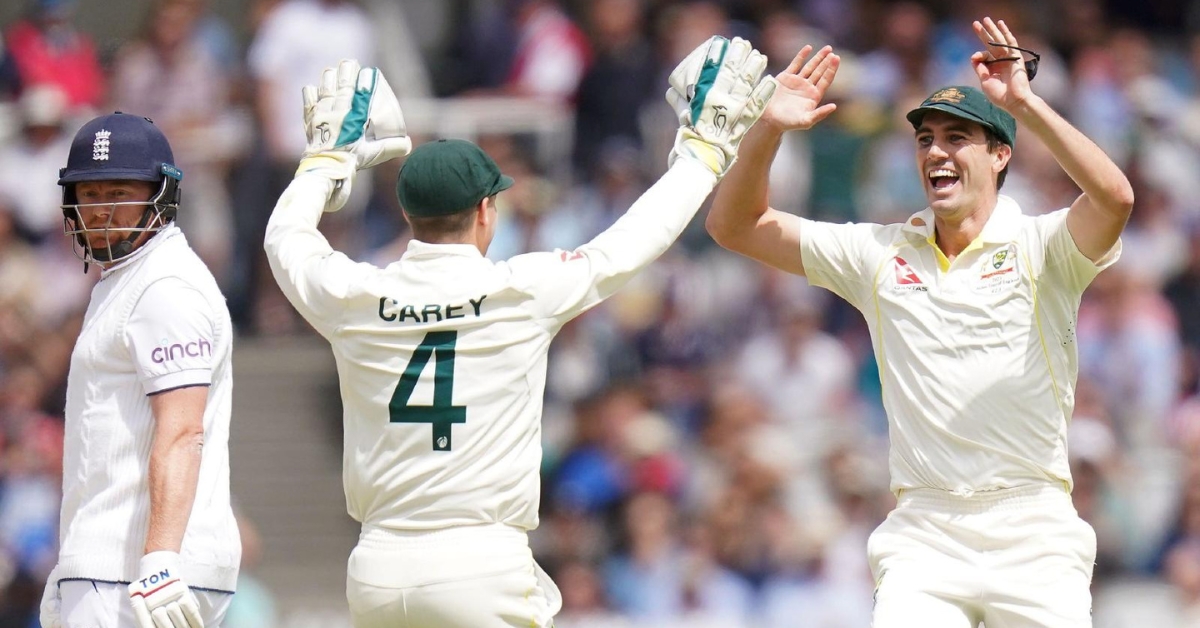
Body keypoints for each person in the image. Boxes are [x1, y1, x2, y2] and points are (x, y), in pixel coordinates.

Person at [264, 42, 775, 628]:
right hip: (482, 562)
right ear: (486, 211)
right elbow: (634, 240)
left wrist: (323, 163)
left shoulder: (354, 296)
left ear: (408, 214)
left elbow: (286, 239)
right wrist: (702, 154)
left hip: (378, 569)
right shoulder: (522, 290)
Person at [705, 17, 1134, 628]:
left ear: (1000, 154)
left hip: (1034, 526)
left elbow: (1115, 199)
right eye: (926, 139)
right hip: (926, 532)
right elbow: (734, 226)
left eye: (958, 138)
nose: (936, 152)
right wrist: (769, 129)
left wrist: (1024, 105)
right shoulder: (878, 253)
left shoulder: (1043, 246)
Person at [39, 113, 241, 627]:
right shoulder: (129, 279)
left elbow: (183, 431)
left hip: (136, 571)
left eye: (119, 192)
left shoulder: (164, 287)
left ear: (161, 195)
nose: (101, 209)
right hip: (118, 566)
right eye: (88, 193)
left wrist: (160, 560)